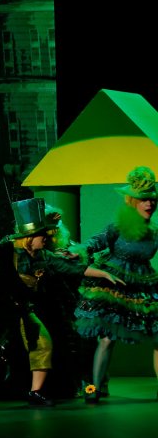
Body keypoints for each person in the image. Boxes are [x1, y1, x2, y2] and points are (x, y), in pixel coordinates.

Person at [0, 198, 122, 406]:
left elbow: (73, 268)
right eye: (42, 234)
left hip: (26, 310)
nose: (47, 237)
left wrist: (104, 274)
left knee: (43, 344)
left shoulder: (45, 256)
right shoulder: (8, 249)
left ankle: (37, 392)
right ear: (30, 237)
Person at [74, 166, 158, 402]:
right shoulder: (118, 226)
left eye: (153, 199)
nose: (150, 204)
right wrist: (79, 251)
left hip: (142, 284)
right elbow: (96, 241)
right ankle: (94, 388)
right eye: (144, 199)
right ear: (133, 201)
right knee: (107, 338)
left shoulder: (154, 232)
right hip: (114, 283)